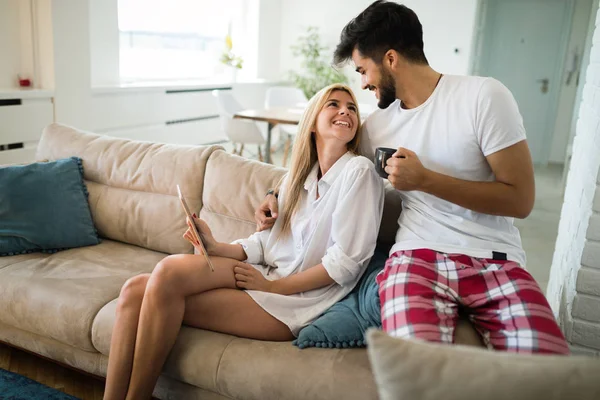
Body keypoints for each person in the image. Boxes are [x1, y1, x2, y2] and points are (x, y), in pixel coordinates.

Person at [255, 1, 569, 354]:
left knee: (548, 368)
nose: (362, 84)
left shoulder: (484, 96)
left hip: (494, 258)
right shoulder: (377, 127)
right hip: (415, 258)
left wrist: (426, 180)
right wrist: (274, 192)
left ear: (390, 60)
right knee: (414, 369)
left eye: (362, 71)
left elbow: (520, 200)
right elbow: (319, 161)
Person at [103, 83, 384, 400]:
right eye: (333, 104)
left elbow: (345, 264)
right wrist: (216, 247)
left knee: (164, 278)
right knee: (133, 290)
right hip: (265, 278)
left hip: (296, 303)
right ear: (312, 121)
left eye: (352, 108)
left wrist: (273, 288)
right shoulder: (297, 179)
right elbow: (266, 244)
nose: (345, 111)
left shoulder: (359, 173)